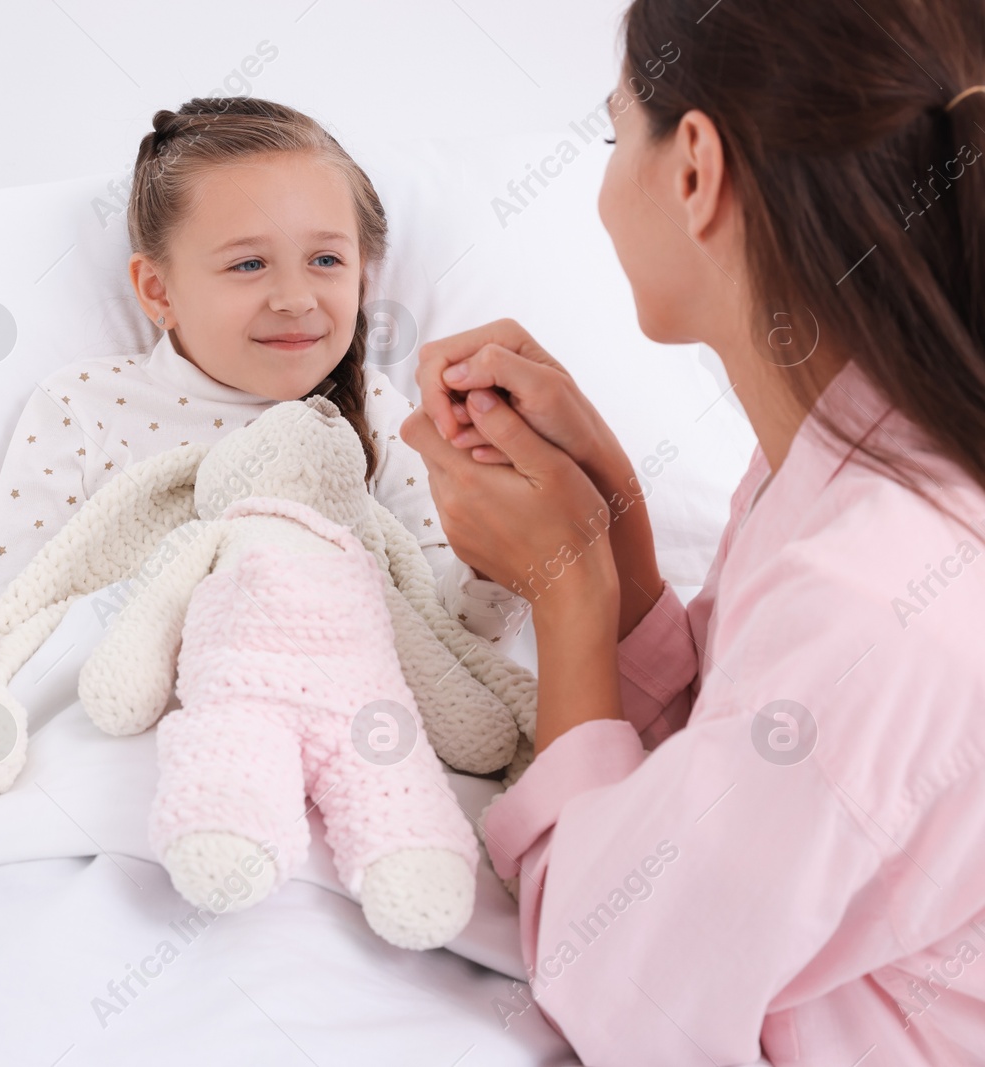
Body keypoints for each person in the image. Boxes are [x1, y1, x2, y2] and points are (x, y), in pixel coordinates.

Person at [400, 0, 985, 1062]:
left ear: (693, 170)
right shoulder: (859, 458)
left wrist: (564, 595)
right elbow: (736, 756)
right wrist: (614, 528)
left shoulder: (875, 599)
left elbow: (613, 971)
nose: (606, 185)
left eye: (618, 132)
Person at [0, 96, 525, 734]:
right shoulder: (83, 407)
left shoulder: (377, 413)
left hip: (324, 725)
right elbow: (23, 610)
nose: (294, 297)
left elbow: (447, 628)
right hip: (119, 733)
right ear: (158, 290)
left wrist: (498, 565)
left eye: (325, 259)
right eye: (248, 263)